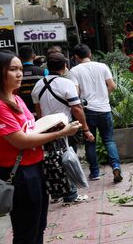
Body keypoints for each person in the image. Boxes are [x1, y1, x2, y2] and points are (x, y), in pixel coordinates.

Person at [0, 51, 80, 243]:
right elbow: (20, 140)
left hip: (35, 167)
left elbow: (32, 128)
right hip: (19, 173)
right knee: (26, 231)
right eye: (12, 69)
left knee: (39, 226)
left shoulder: (15, 99)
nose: (19, 74)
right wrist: (61, 133)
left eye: (19, 69)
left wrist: (53, 126)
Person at [32, 53, 94, 204]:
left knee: (52, 161)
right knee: (67, 159)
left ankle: (56, 194)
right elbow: (77, 109)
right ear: (64, 67)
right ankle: (70, 194)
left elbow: (38, 112)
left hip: (45, 130)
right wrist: (85, 129)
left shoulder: (38, 85)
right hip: (65, 128)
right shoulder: (66, 84)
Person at [68, 44, 122, 183]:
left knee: (90, 143)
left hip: (88, 112)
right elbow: (112, 86)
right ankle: (116, 166)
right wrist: (104, 95)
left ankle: (94, 172)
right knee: (109, 140)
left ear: (76, 57)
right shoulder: (102, 66)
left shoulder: (74, 71)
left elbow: (75, 92)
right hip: (105, 109)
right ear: (90, 53)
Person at [18, 45, 46, 118]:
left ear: (19, 57)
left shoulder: (16, 73)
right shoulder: (44, 72)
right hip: (40, 109)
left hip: (22, 110)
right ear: (34, 56)